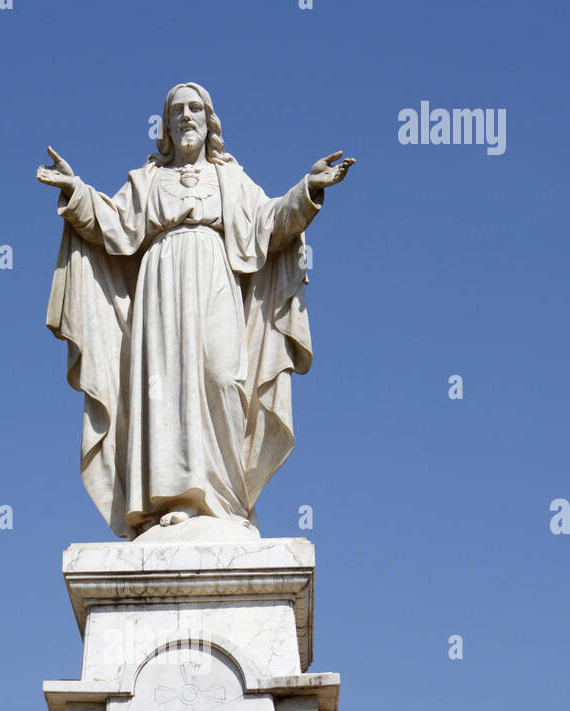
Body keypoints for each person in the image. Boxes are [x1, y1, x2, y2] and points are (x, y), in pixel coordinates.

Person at [38, 82, 354, 539]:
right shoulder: (147, 180)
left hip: (215, 276)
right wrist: (77, 192)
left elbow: (270, 223)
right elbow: (111, 225)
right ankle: (177, 497)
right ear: (165, 126)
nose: (186, 117)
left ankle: (225, 500)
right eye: (177, 111)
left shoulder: (231, 179)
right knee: (164, 387)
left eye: (195, 109)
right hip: (160, 285)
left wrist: (307, 191)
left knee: (225, 377)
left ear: (209, 122)